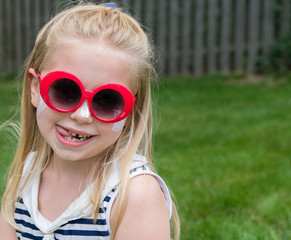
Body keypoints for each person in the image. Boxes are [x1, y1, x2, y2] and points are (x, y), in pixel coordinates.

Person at [0, 2, 180, 240]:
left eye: (107, 100)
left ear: (130, 112)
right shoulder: (24, 176)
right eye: (65, 90)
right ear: (35, 88)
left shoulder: (134, 195)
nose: (81, 116)